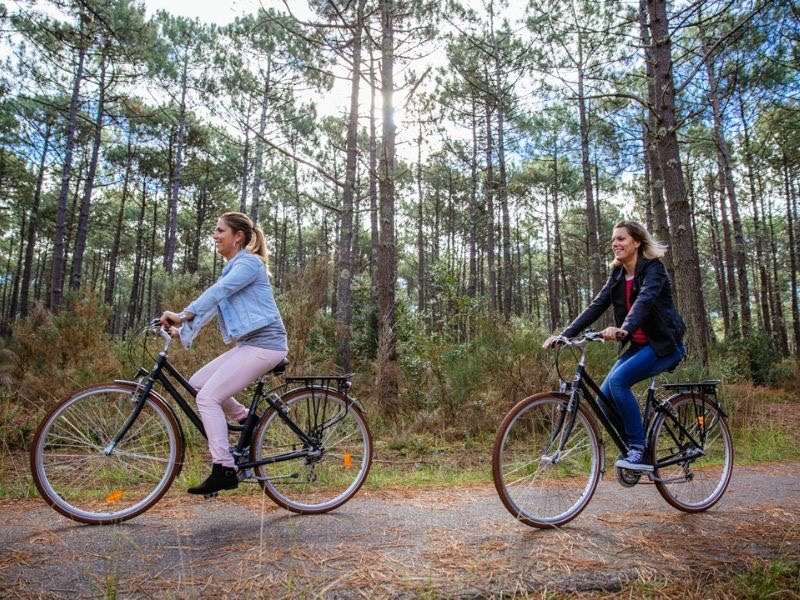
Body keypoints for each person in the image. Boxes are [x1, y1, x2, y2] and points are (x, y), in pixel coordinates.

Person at [160, 211, 288, 495]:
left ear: (238, 236)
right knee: (197, 385)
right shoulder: (232, 268)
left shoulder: (250, 264)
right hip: (249, 345)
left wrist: (181, 315)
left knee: (207, 398)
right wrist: (183, 329)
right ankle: (246, 419)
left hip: (266, 345)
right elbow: (213, 305)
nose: (215, 236)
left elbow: (218, 292)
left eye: (220, 231)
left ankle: (224, 468)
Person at [544, 220, 686, 471]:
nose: (615, 243)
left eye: (621, 239)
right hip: (639, 347)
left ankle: (637, 449)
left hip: (664, 345)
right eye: (613, 239)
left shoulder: (654, 270)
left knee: (619, 383)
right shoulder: (618, 273)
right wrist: (564, 335)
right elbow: (597, 305)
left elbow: (644, 301)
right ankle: (633, 448)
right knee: (604, 399)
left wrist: (624, 329)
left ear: (636, 242)